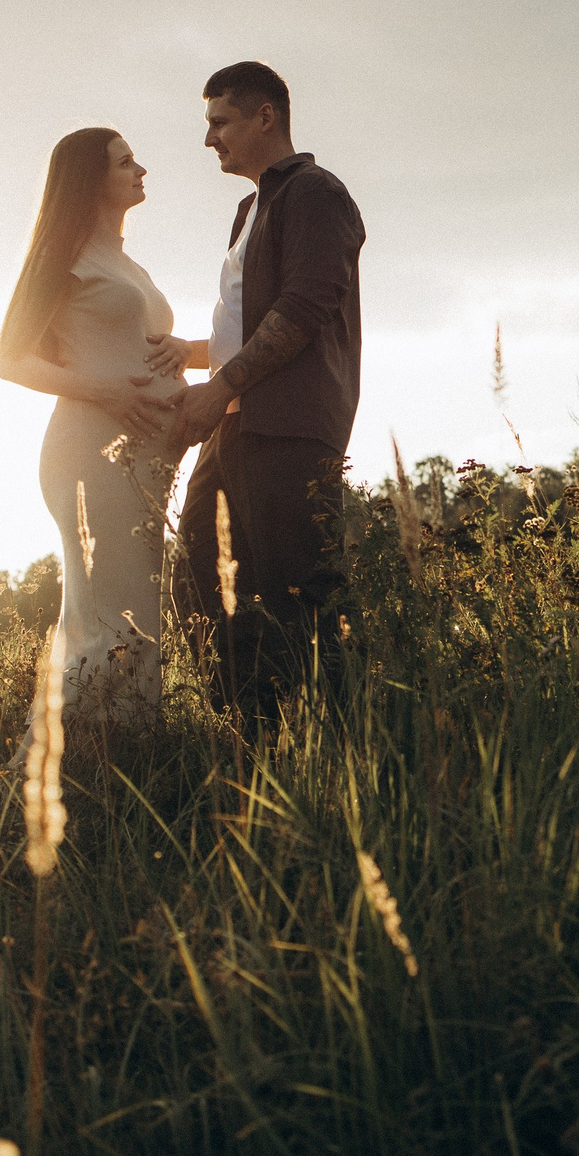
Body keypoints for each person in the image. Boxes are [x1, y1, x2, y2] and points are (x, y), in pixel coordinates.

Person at [161, 61, 365, 722]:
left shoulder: (314, 193)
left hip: (287, 429)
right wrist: (190, 354)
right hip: (233, 424)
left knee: (300, 596)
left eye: (220, 122)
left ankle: (338, 743)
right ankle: (251, 735)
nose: (209, 139)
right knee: (202, 581)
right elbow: (252, 323)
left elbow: (304, 308)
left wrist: (217, 386)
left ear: (265, 116)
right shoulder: (250, 210)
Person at [0, 127, 184, 751]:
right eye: (125, 162)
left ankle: (118, 765)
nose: (140, 169)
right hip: (90, 456)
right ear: (89, 181)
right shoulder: (66, 258)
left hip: (144, 462)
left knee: (136, 618)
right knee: (110, 624)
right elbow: (12, 360)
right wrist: (107, 392)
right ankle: (32, 779)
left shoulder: (128, 266)